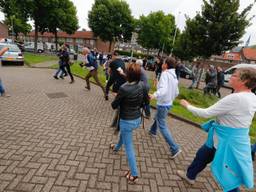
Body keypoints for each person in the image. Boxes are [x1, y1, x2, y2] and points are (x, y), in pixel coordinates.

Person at [178, 67, 256, 192]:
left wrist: (187, 106)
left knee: (228, 174)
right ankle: (190, 176)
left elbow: (206, 113)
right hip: (222, 138)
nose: (230, 77)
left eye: (235, 75)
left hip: (227, 142)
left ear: (244, 81)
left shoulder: (236, 98)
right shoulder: (251, 96)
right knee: (202, 155)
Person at [110, 63, 150, 184]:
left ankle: (134, 174)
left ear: (128, 75)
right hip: (137, 119)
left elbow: (114, 105)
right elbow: (146, 101)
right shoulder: (142, 85)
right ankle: (116, 147)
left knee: (129, 148)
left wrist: (117, 96)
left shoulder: (124, 88)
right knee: (125, 135)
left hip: (127, 121)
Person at [148, 57, 181, 158]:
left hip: (163, 103)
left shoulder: (165, 74)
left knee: (162, 125)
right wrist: (170, 98)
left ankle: (174, 148)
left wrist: (154, 95)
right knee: (158, 118)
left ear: (166, 65)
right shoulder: (174, 75)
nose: (162, 64)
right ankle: (153, 131)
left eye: (163, 63)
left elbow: (163, 89)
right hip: (168, 103)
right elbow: (177, 92)